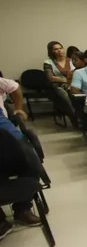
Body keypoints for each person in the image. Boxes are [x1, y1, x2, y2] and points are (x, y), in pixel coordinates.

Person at [0, 76, 42, 232]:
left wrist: (19, 108)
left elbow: (14, 87)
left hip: (2, 128)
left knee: (28, 158)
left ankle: (23, 208)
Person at [42, 41, 77, 126]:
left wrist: (65, 79)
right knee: (61, 91)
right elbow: (51, 78)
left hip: (72, 84)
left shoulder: (72, 60)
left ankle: (76, 114)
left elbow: (78, 73)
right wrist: (67, 80)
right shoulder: (48, 62)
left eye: (60, 48)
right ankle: (73, 113)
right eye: (56, 49)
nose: (59, 50)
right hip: (56, 87)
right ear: (51, 51)